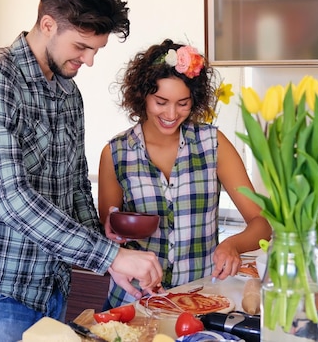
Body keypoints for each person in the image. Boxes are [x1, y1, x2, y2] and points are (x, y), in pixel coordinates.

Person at [0, 0, 163, 342]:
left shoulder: (68, 94)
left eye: (95, 50)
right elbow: (12, 199)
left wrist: (108, 255)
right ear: (47, 24)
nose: (89, 61)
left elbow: (74, 186)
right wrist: (110, 257)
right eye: (81, 47)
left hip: (50, 290)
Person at [97, 39, 272, 308]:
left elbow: (261, 221)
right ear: (142, 95)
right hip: (133, 303)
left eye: (183, 103)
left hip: (200, 300)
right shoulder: (116, 153)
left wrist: (233, 245)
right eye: (161, 101)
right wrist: (111, 229)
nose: (171, 113)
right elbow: (106, 234)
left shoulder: (213, 144)